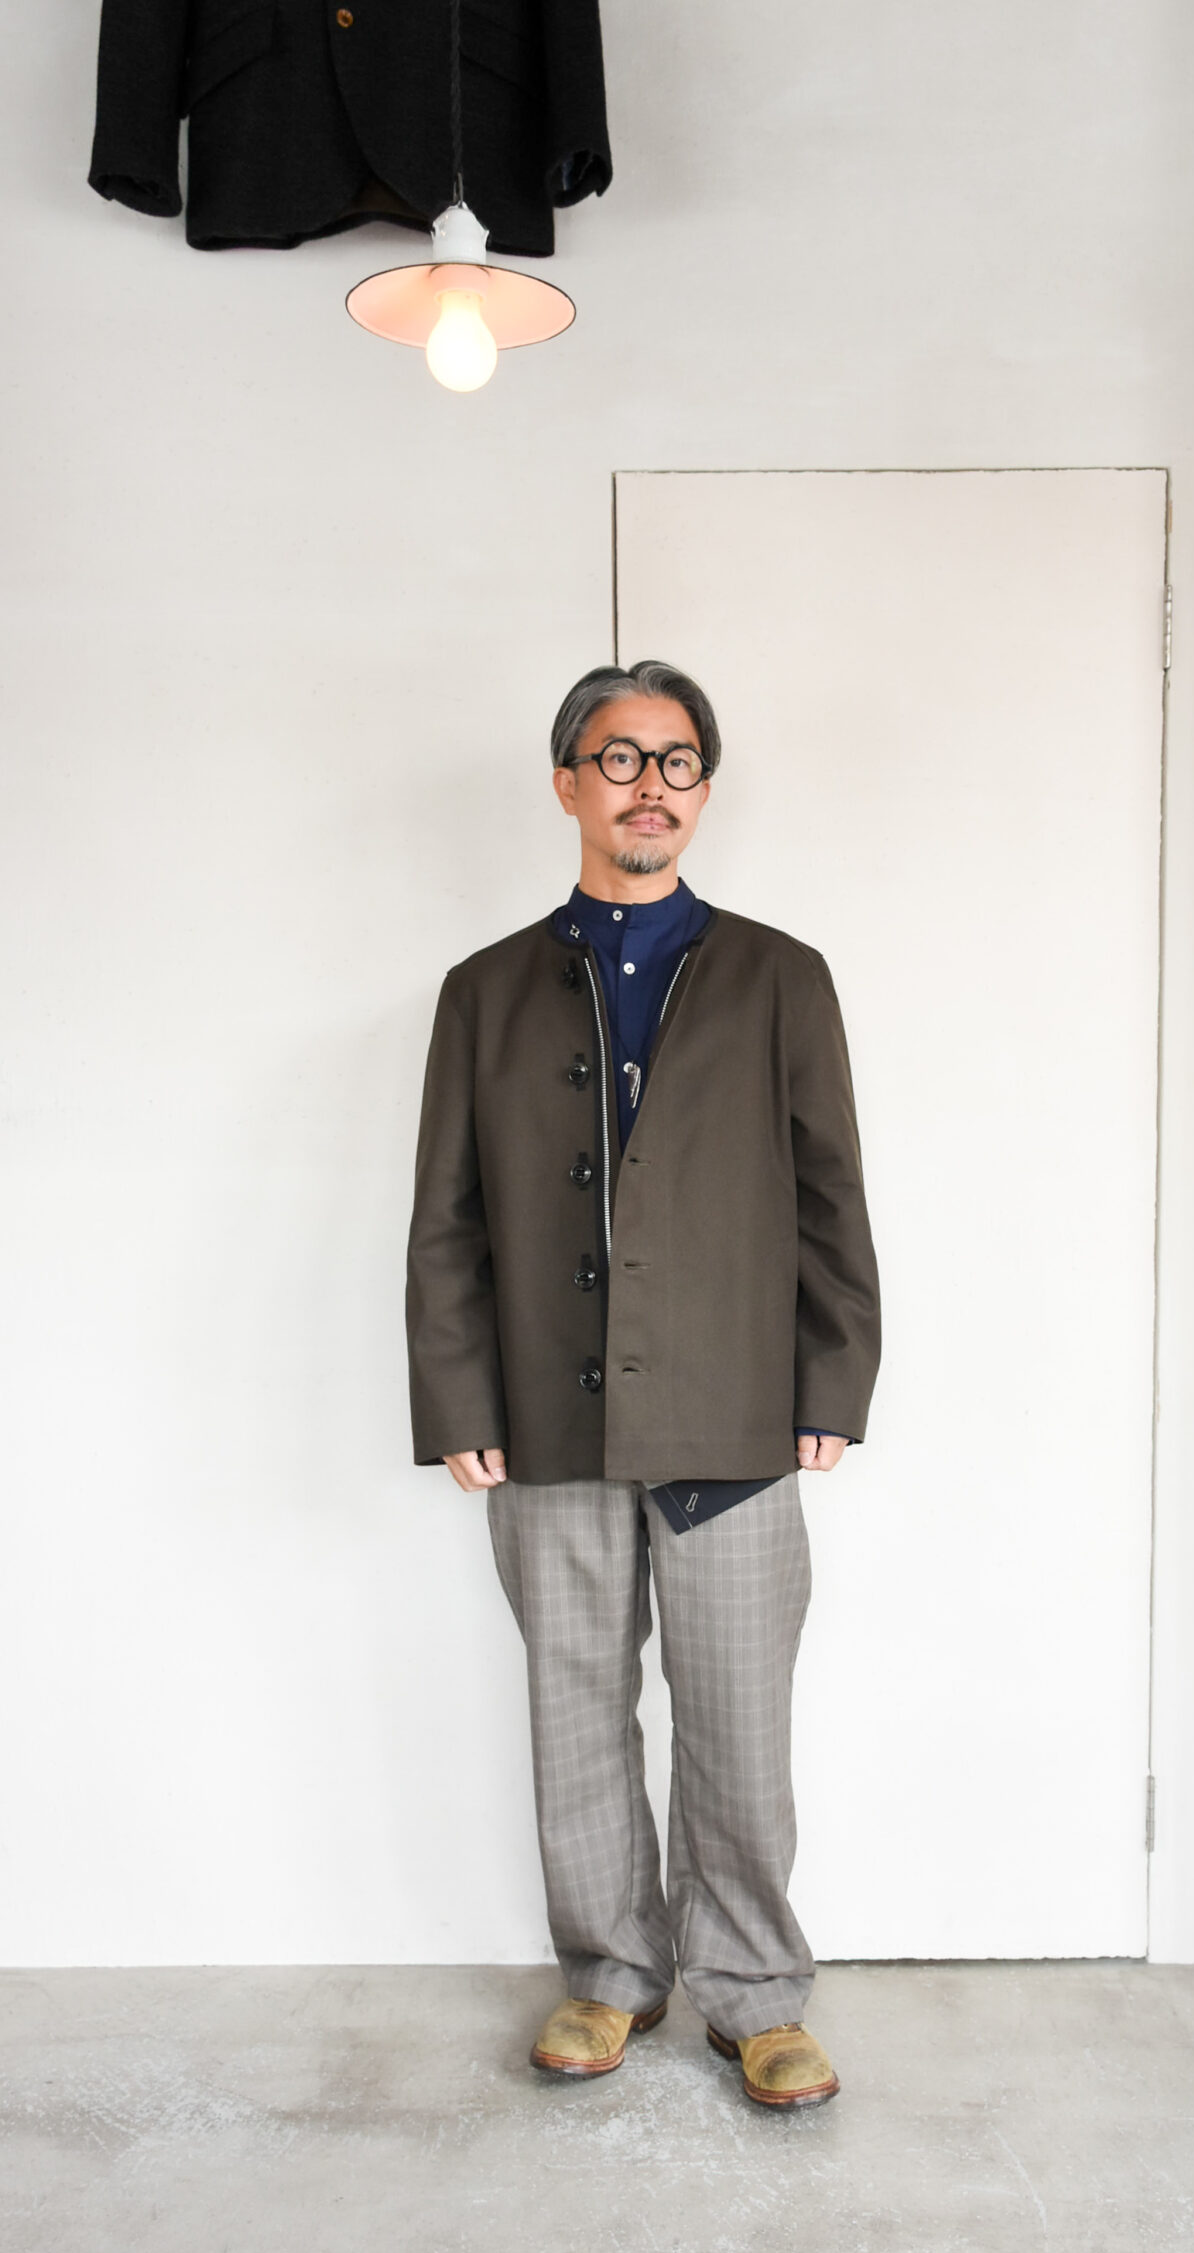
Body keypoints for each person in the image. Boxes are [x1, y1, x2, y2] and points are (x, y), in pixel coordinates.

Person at [405, 661, 880, 2107]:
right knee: (574, 1708)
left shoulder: (780, 977)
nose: (648, 786)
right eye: (618, 759)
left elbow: (830, 1194)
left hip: (732, 1412)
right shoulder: (485, 992)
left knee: (736, 1717)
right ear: (569, 784)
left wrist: (833, 1378)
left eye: (675, 761)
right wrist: (460, 1401)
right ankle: (610, 1975)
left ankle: (755, 1992)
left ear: (704, 791)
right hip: (545, 1415)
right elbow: (448, 1218)